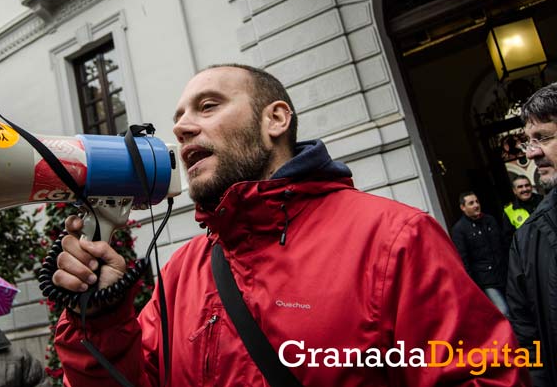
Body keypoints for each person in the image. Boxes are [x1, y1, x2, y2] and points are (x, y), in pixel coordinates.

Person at [52, 64, 526, 386]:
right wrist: (101, 317)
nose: (181, 128)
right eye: (178, 117)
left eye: (208, 106)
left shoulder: (394, 238)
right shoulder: (181, 273)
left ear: (275, 119)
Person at [508, 82, 557, 386]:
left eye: (544, 137)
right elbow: (528, 340)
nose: (532, 152)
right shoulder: (527, 239)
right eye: (529, 140)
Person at [450, 191, 509, 316]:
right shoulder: (459, 230)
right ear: (463, 207)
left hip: (504, 273)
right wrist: (472, 286)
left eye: (477, 202)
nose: (476, 205)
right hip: (485, 280)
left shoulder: (490, 220)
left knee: (517, 309)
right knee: (503, 311)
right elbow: (463, 259)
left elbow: (503, 245)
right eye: (471, 203)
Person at [502, 175, 542, 242]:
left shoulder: (543, 200)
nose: (525, 189)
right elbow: (510, 239)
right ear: (514, 191)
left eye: (527, 185)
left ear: (531, 187)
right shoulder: (509, 211)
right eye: (520, 187)